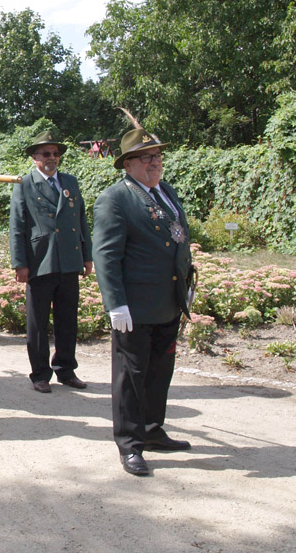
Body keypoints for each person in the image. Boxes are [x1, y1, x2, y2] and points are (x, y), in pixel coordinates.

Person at [93, 121, 193, 477]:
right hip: (134, 307)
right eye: (146, 157)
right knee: (131, 377)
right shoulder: (115, 198)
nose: (155, 162)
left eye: (158, 155)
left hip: (167, 301)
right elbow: (106, 255)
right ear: (127, 164)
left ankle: (152, 429)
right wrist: (115, 303)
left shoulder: (165, 191)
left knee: (158, 373)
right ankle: (130, 443)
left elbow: (178, 238)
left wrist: (186, 282)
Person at [9, 130, 93, 393]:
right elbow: (17, 225)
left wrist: (87, 255)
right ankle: (40, 374)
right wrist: (19, 263)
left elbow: (81, 220)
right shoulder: (24, 183)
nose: (52, 158)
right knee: (37, 322)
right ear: (35, 157)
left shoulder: (70, 182)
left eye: (55, 153)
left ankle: (66, 370)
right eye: (46, 153)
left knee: (68, 319)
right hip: (40, 260)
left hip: (69, 259)